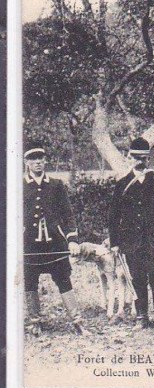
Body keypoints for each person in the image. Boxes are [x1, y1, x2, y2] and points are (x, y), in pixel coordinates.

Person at [108, 137, 154, 330]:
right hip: (131, 241)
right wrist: (115, 242)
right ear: (130, 158)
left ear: (148, 159)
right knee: (137, 278)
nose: (139, 162)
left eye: (143, 158)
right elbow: (114, 215)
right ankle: (141, 317)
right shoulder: (122, 184)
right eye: (135, 157)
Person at [22, 141, 83, 332]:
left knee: (64, 279)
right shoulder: (19, 185)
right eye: (33, 159)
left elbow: (68, 214)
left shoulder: (56, 185)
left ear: (45, 161)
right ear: (27, 162)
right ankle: (35, 322)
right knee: (30, 281)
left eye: (40, 158)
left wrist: (72, 240)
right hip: (29, 243)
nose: (38, 162)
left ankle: (78, 322)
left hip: (55, 243)